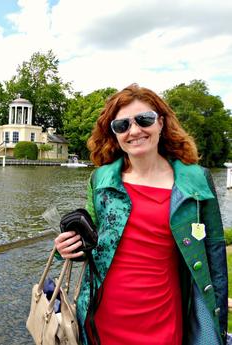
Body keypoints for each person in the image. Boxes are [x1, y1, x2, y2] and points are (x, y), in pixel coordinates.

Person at [54, 84, 228, 345]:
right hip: (103, 317)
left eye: (143, 120)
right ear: (114, 134)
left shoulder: (196, 181)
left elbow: (215, 258)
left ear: (161, 122)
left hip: (163, 317)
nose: (134, 131)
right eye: (122, 125)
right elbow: (92, 243)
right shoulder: (100, 179)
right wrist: (66, 248)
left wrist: (217, 324)